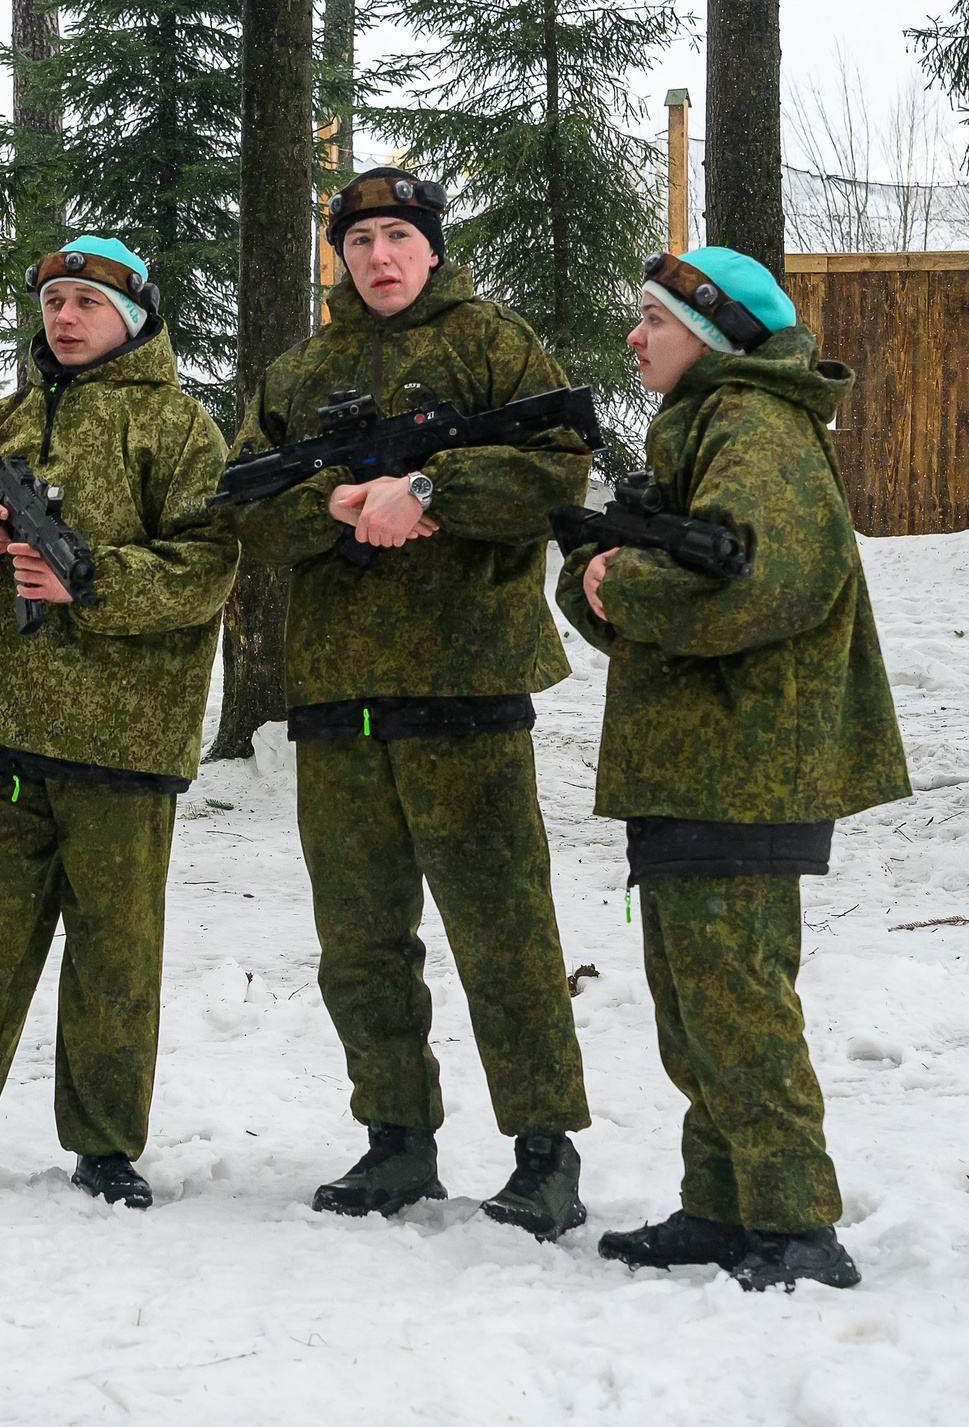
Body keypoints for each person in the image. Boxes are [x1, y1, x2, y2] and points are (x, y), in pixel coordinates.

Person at [226, 168, 594, 1240]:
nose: (379, 258)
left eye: (397, 237)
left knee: (503, 929)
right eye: (359, 242)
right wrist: (334, 504)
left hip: (467, 683)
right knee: (360, 940)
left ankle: (544, 1153)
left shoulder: (492, 343)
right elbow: (244, 506)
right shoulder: (303, 370)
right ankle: (395, 1139)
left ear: (432, 246)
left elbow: (559, 469)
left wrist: (431, 488)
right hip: (339, 695)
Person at [561, 246, 910, 1292]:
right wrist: (597, 577)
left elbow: (763, 587)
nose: (635, 336)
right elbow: (640, 593)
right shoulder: (705, 423)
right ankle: (721, 1206)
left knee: (737, 1004)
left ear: (711, 335)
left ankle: (798, 1226)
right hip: (696, 762)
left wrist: (621, 583)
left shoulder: (755, 427)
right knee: (693, 1006)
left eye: (655, 320)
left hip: (743, 762)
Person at [0, 237, 237, 1211]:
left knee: (116, 958)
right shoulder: (0, 424)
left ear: (134, 317)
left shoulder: (179, 431)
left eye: (87, 303)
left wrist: (93, 579)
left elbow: (207, 567)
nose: (64, 318)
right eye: (53, 302)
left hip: (124, 741)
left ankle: (106, 1149)